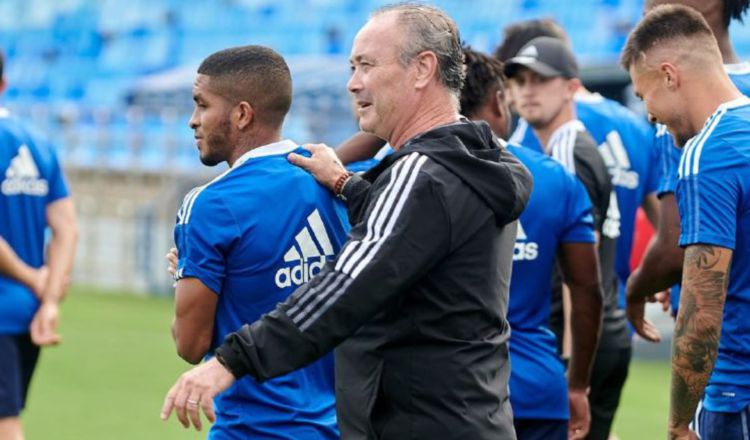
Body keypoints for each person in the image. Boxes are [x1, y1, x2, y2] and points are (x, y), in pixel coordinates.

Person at [161, 4, 532, 440]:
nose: (353, 83)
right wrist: (343, 183)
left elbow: (343, 288)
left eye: (366, 65)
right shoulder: (472, 163)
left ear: (422, 69)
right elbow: (411, 237)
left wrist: (229, 363)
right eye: (352, 67)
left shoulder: (420, 175)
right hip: (471, 414)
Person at [169, 45, 349, 438]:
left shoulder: (210, 205)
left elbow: (189, 343)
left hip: (254, 428)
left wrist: (180, 277)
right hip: (338, 426)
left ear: (242, 114)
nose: (192, 121)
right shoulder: (331, 178)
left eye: (202, 105)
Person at [622, 5, 750, 439]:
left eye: (644, 96)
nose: (651, 114)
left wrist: (678, 420)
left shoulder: (705, 153)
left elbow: (702, 310)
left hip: (737, 388)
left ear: (670, 76)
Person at [461, 47, 602, 440]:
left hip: (450, 397)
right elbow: (588, 291)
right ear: (498, 100)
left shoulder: (402, 175)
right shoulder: (554, 179)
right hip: (538, 389)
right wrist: (577, 385)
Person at [505, 36, 641, 440]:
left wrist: (569, 364)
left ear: (570, 87)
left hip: (580, 339)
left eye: (540, 80)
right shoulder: (558, 146)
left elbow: (576, 275)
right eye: (519, 80)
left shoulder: (566, 151)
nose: (528, 90)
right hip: (598, 334)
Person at [0, 51, 78, 439]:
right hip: (29, 313)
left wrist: (33, 278)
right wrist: (48, 299)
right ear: (4, 84)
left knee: (5, 425)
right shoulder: (38, 142)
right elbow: (67, 228)